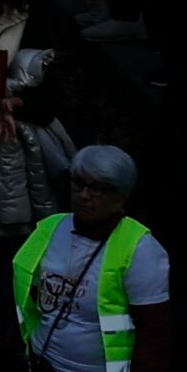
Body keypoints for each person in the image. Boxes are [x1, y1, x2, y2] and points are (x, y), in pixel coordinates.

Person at [15, 146, 172, 372]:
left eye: (98, 189)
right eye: (78, 183)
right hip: (42, 360)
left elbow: (154, 333)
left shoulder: (141, 249)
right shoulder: (49, 228)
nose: (84, 195)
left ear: (121, 198)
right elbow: (29, 295)